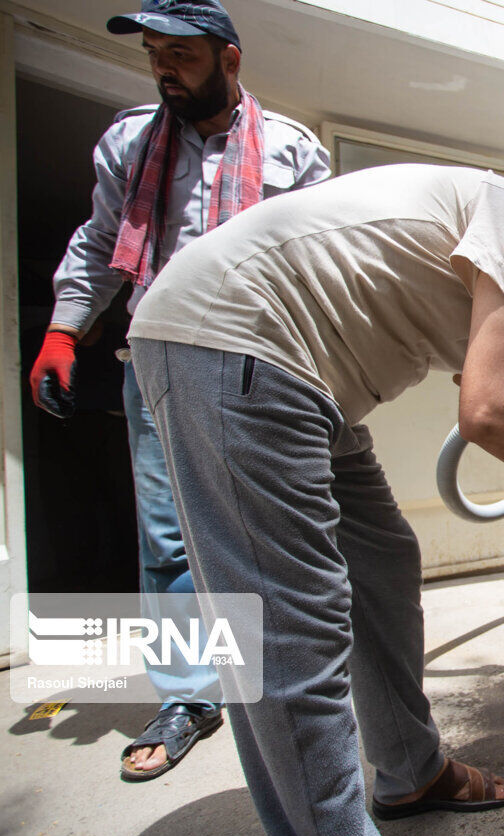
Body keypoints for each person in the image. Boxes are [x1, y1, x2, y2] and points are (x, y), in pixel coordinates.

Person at [127, 163, 504, 836]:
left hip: (304, 377)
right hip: (235, 337)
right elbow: (493, 412)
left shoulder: (496, 282)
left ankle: (408, 770)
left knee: (382, 559)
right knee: (291, 625)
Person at [26, 0, 331, 782]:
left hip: (258, 362)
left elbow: (321, 259)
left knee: (264, 527)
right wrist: (66, 327)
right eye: (155, 52)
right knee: (169, 537)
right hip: (155, 360)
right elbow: (101, 238)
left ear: (229, 59)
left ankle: (285, 680)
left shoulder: (292, 150)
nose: (164, 66)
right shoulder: (130, 141)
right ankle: (190, 695)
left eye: (182, 54)